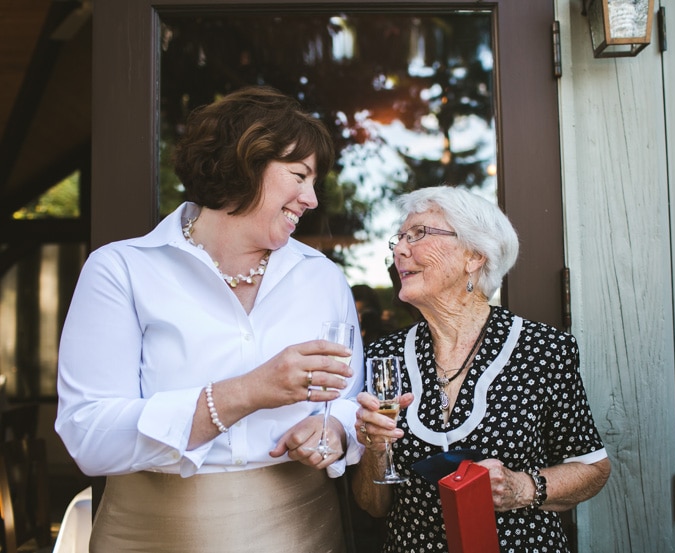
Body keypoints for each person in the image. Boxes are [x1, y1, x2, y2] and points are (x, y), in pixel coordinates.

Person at [54, 85, 364, 553]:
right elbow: (88, 435)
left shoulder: (322, 278)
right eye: (299, 176)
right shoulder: (121, 270)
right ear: (246, 162)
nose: (312, 199)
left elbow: (349, 400)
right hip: (154, 534)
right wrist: (250, 390)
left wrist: (334, 430)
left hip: (303, 530)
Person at [350, 185, 611, 553]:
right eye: (399, 238)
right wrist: (374, 450)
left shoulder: (541, 349)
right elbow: (372, 505)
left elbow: (592, 469)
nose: (399, 249)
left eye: (419, 234)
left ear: (474, 255)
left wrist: (522, 488)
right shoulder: (385, 357)